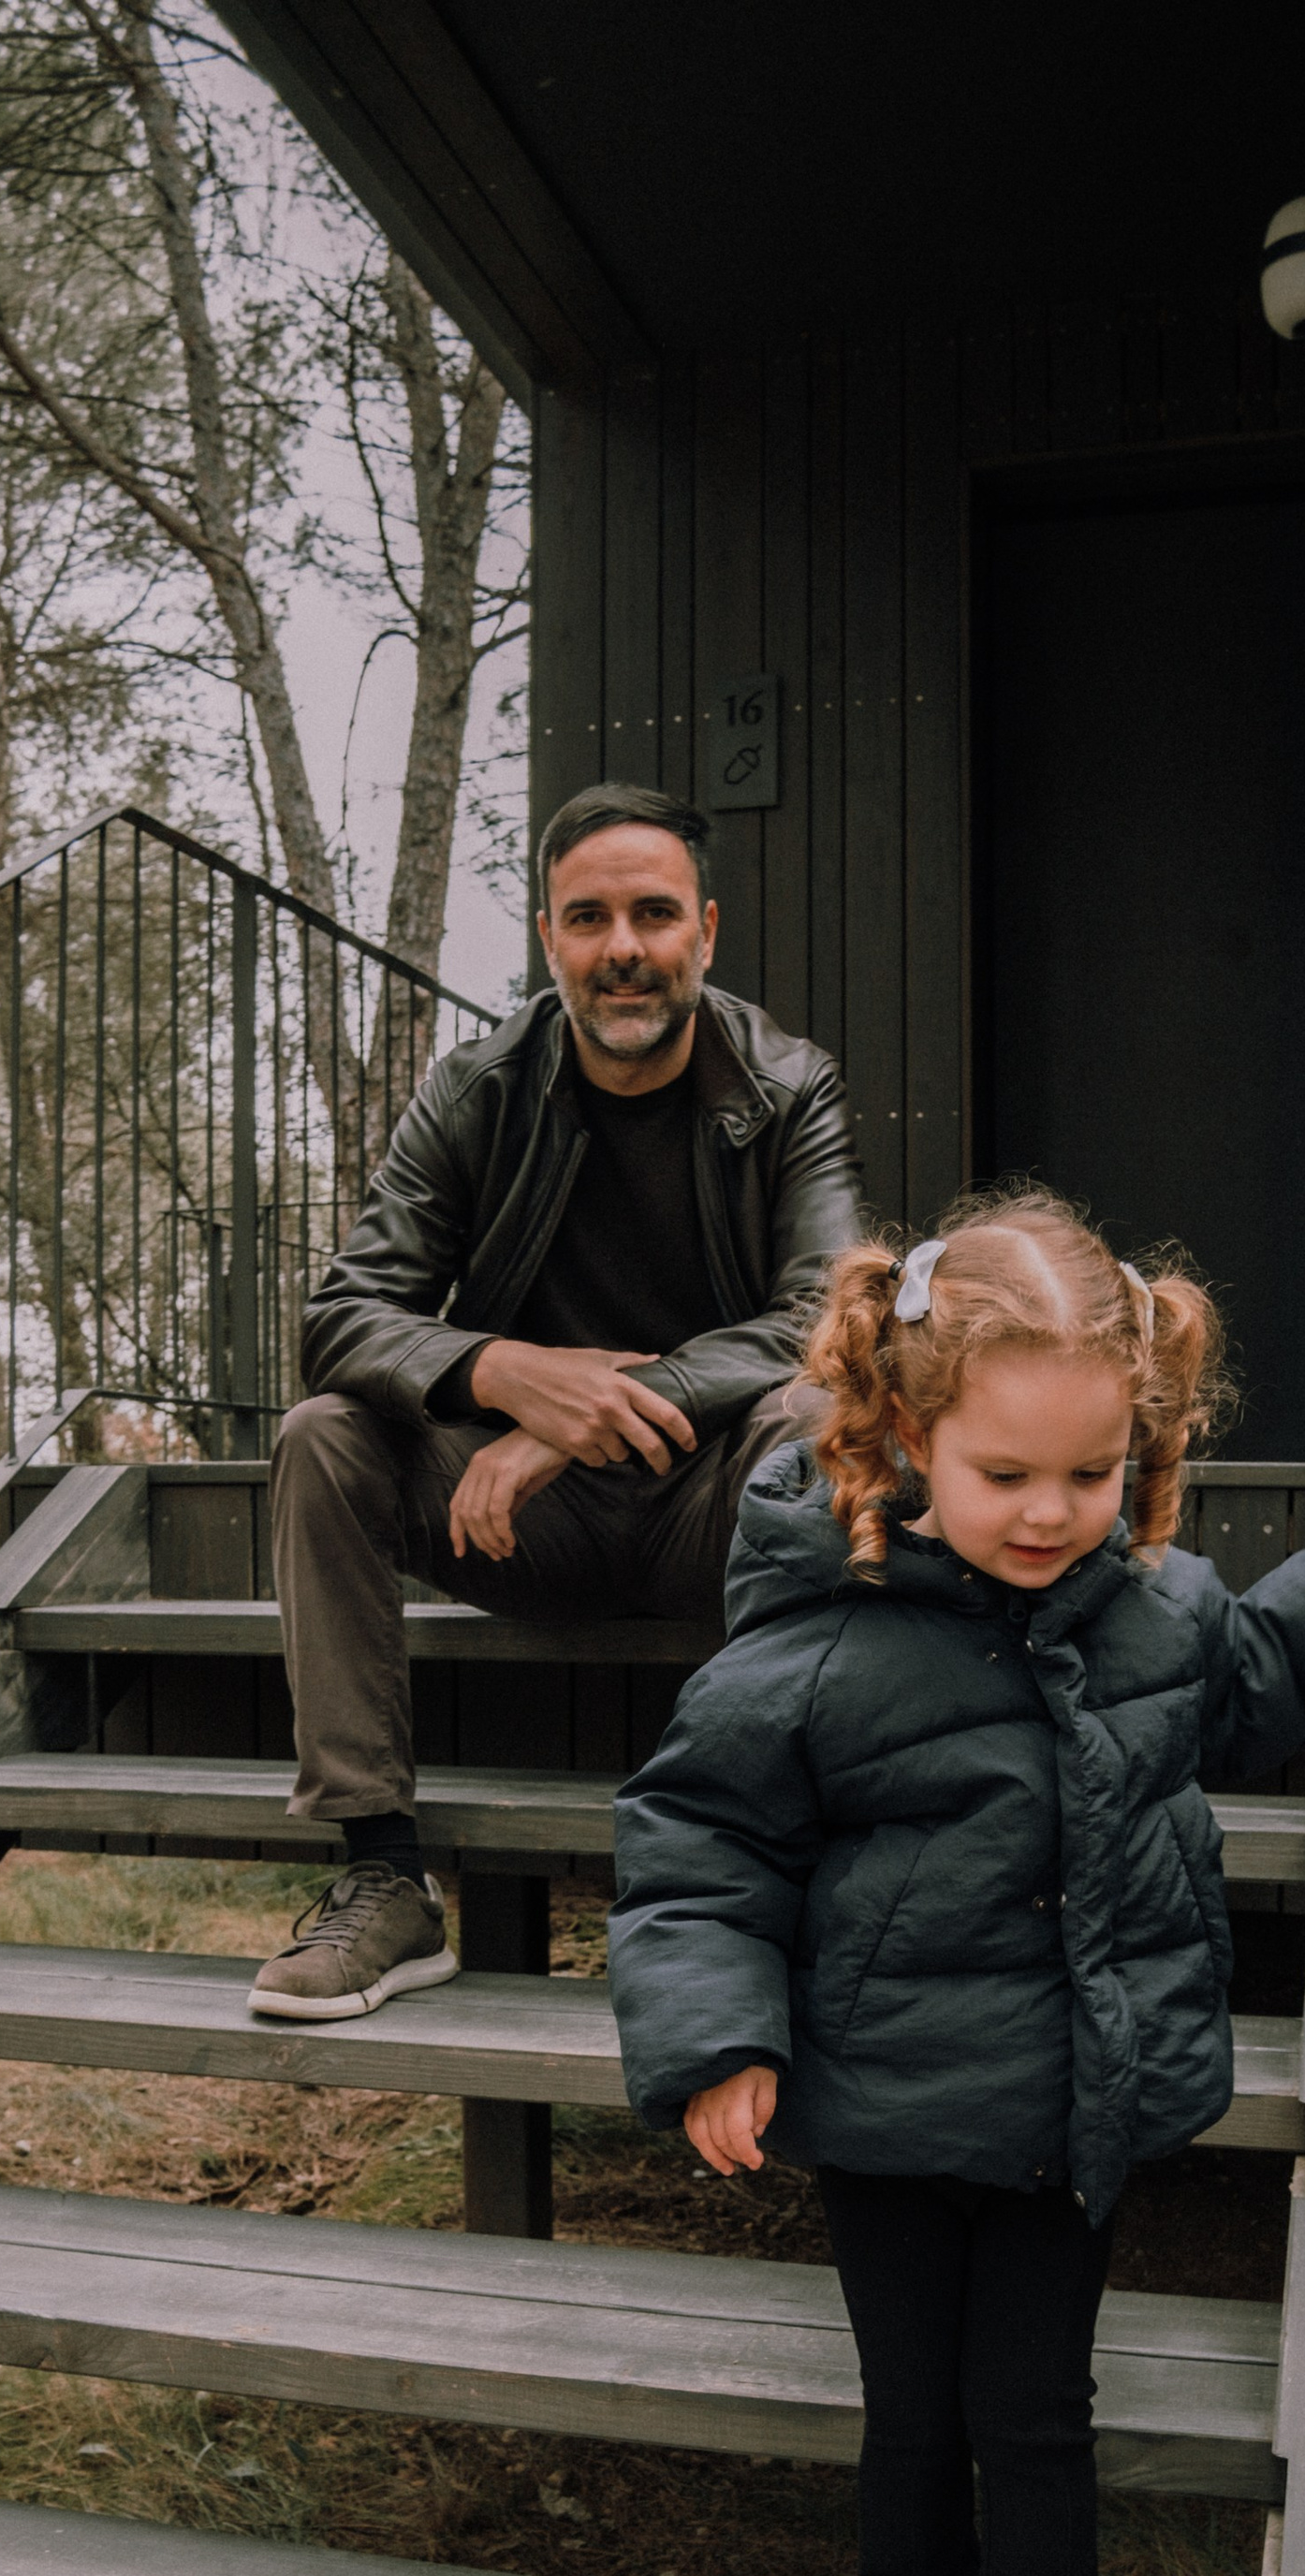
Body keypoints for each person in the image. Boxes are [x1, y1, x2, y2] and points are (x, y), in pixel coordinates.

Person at [609, 1194, 1305, 2576]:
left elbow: (1265, 1674)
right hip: (877, 2108)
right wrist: (720, 2039)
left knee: (1034, 2409)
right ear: (905, 1435)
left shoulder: (1148, 1609)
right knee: (909, 2406)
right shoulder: (813, 1647)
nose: (1050, 1513)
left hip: (1069, 2106)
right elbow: (699, 1846)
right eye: (1007, 1477)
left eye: (1090, 1477)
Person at [249, 782, 863, 2022]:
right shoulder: (476, 1091)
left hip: (716, 1511)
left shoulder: (790, 1090)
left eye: (652, 915)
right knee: (324, 1439)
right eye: (589, 919)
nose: (622, 949)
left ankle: (772, 1872)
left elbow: (827, 1321)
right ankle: (383, 1881)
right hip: (520, 1524)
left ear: (705, 930)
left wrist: (593, 1410)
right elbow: (338, 1319)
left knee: (814, 1424)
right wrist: (502, 1374)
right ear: (549, 940)